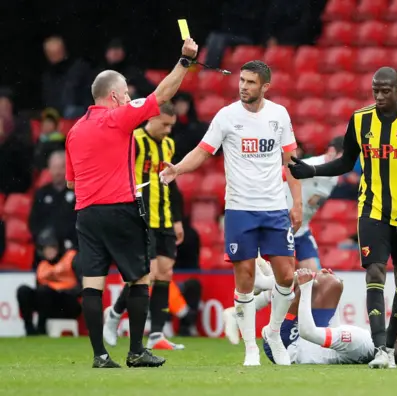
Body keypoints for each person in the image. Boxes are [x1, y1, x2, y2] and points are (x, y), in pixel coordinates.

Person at [288, 66, 397, 369]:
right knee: (375, 273)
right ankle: (381, 348)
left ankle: (389, 342)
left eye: (386, 90)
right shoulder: (360, 120)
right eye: (376, 91)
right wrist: (312, 169)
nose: (380, 96)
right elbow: (346, 161)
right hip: (372, 210)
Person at [65, 38, 198, 368]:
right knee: (140, 278)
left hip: (86, 214)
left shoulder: (74, 130)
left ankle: (99, 355)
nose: (127, 97)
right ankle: (137, 351)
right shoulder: (118, 117)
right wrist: (184, 62)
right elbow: (162, 96)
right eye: (124, 92)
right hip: (120, 209)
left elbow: (70, 181)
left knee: (92, 284)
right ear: (113, 96)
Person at [159, 60, 302, 366]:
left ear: (265, 86)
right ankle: (251, 347)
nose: (243, 86)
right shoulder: (226, 116)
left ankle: (273, 332)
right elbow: (202, 150)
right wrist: (178, 169)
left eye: (251, 82)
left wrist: (298, 203)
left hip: (275, 207)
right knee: (245, 278)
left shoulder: (279, 115)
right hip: (240, 209)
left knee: (287, 276)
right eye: (242, 81)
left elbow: (291, 161)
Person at [103, 103, 186, 351]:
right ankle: (115, 315)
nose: (169, 130)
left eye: (172, 125)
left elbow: (172, 184)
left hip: (165, 219)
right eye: (165, 124)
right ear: (152, 118)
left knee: (165, 274)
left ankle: (156, 335)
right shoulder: (135, 141)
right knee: (144, 275)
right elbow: (117, 175)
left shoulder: (169, 145)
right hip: (140, 217)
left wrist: (178, 218)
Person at [271, 268, 397, 365]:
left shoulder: (359, 342)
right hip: (303, 344)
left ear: (390, 348)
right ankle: (266, 281)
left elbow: (307, 332)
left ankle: (264, 286)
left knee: (319, 281)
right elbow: (333, 329)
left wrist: (305, 287)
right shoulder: (368, 346)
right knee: (333, 283)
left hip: (287, 344)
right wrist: (334, 296)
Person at [285, 136, 344, 270]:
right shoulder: (310, 165)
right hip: (282, 227)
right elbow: (282, 175)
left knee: (313, 275)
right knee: (283, 277)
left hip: (301, 229)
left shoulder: (335, 175)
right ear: (332, 151)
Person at [16, 229, 81, 336]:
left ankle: (42, 327)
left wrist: (61, 291)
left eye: (52, 247)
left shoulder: (71, 257)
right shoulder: (42, 266)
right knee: (23, 290)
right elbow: (39, 290)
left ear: (59, 247)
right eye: (45, 248)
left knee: (45, 291)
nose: (49, 251)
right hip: (47, 302)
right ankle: (30, 329)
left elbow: (82, 286)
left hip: (68, 302)